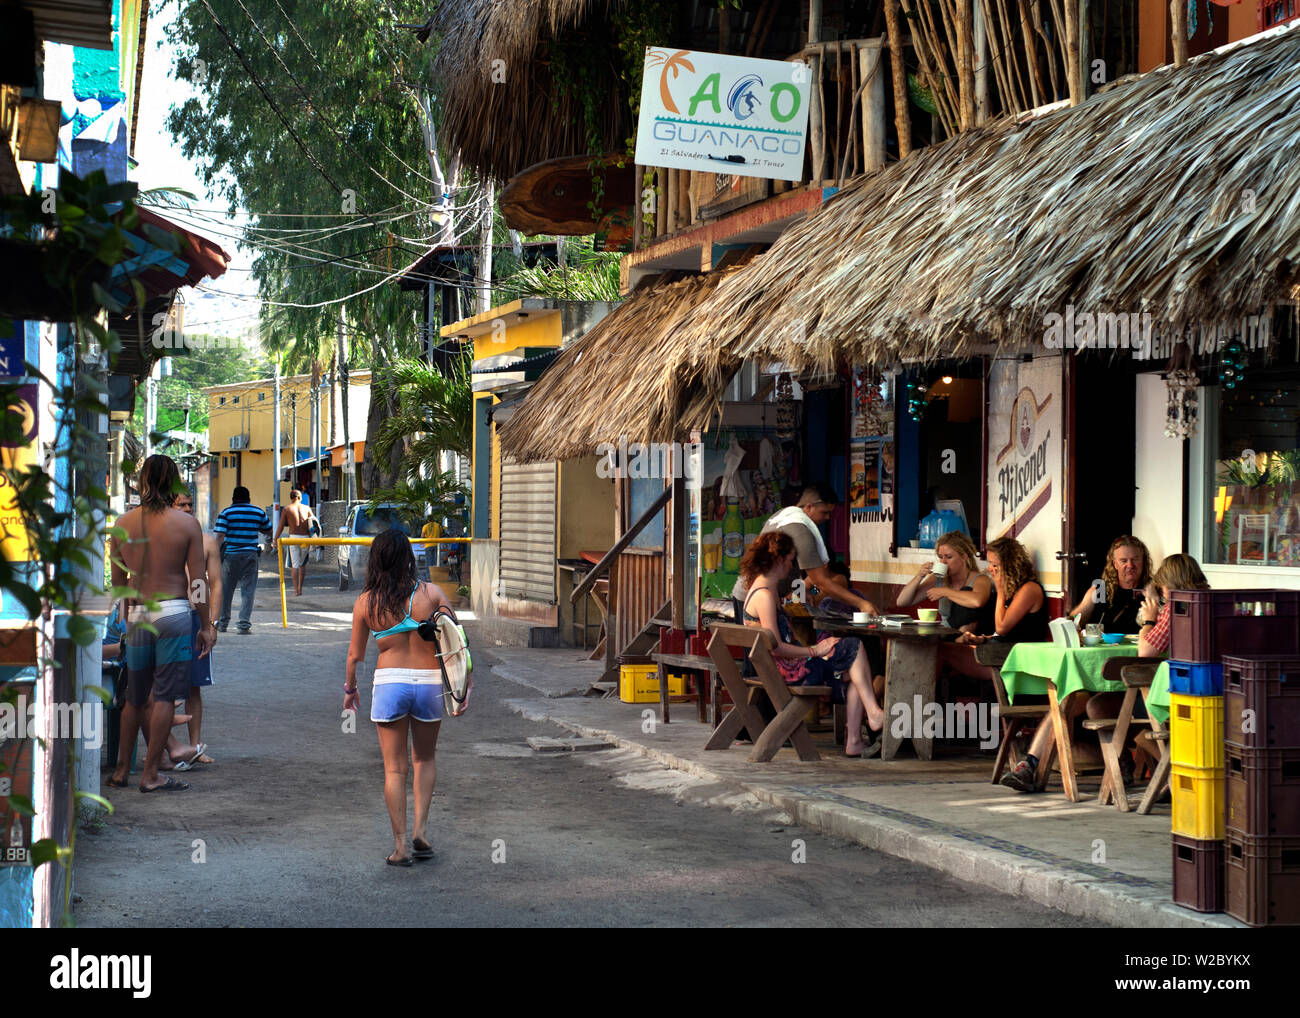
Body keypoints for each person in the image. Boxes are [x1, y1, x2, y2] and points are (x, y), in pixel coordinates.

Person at [345, 528, 458, 866]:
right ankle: (420, 830)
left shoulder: (367, 602)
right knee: (424, 759)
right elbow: (456, 644)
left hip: (390, 682)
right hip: (429, 683)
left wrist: (350, 690)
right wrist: (463, 689)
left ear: (376, 560)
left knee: (395, 770)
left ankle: (400, 848)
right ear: (408, 556)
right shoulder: (433, 593)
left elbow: (354, 657)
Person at [107, 455, 213, 793]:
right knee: (165, 695)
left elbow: (119, 584)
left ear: (142, 481)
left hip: (138, 614)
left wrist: (126, 618)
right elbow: (198, 582)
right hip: (175, 614)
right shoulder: (186, 524)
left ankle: (122, 771)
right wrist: (206, 624)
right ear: (175, 483)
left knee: (134, 697)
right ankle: (152, 774)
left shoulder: (122, 524)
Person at [739, 531, 885, 758]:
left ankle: (859, 733)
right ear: (778, 560)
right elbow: (776, 645)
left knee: (857, 669)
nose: (792, 566)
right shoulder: (767, 595)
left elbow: (805, 593)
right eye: (789, 560)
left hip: (781, 667)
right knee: (855, 650)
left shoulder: (835, 580)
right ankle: (870, 717)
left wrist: (807, 590)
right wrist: (815, 650)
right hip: (789, 670)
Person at [731, 484, 880, 620]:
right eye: (824, 512)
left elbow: (806, 582)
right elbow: (820, 582)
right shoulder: (801, 530)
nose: (827, 518)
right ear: (808, 507)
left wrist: (803, 592)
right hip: (759, 598)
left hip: (753, 594)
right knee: (765, 648)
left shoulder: (783, 515)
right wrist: (862, 604)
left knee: (761, 648)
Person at [174, 492, 220, 766]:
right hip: (168, 615)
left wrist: (210, 623)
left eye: (190, 504)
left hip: (194, 618)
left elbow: (214, 584)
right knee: (160, 688)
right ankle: (165, 749)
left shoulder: (206, 542)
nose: (189, 508)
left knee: (194, 687)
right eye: (182, 504)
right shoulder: (162, 539)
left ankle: (194, 746)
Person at [897, 530, 995, 635]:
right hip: (943, 635)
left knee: (967, 592)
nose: (943, 562)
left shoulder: (980, 579)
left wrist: (945, 592)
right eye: (940, 557)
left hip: (969, 638)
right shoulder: (938, 578)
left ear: (964, 557)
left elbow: (977, 601)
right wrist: (919, 576)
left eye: (948, 557)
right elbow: (902, 602)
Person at [213, 485, 271, 634]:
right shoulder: (258, 512)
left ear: (233, 498)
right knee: (248, 591)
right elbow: (268, 529)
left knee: (226, 591)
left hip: (230, 556)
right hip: (250, 556)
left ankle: (222, 624)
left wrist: (214, 555)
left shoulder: (226, 512)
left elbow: (219, 535)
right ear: (249, 498)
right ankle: (244, 625)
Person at [1069, 536, 1152, 634]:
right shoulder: (1100, 589)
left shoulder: (1152, 589)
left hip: (1138, 648)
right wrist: (1073, 619)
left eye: (1135, 559)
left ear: (1143, 561)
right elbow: (1074, 620)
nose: (1130, 565)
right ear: (1115, 564)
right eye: (1124, 561)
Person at [272, 488, 317, 597]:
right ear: (300, 498)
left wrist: (275, 539)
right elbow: (314, 524)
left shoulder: (287, 509)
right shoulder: (307, 508)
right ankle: (300, 589)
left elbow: (281, 526)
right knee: (302, 564)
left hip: (293, 538)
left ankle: (296, 591)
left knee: (295, 565)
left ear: (291, 498)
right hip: (305, 538)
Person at [420, 514, 442, 580]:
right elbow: (441, 534)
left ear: (428, 520)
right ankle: (435, 577)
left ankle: (428, 577)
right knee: (435, 562)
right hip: (436, 545)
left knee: (428, 562)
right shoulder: (438, 526)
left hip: (428, 545)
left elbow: (422, 536)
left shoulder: (425, 526)